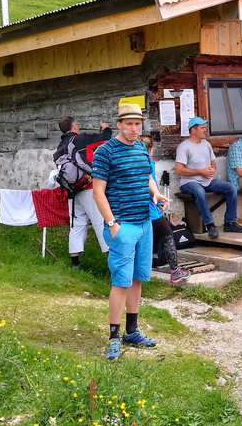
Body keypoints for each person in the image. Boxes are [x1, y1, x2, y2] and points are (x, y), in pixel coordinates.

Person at [92, 103, 168, 361]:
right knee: (120, 282)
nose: (135, 129)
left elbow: (147, 177)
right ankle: (114, 337)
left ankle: (131, 332)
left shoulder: (140, 148)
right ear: (119, 124)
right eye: (129, 124)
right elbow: (98, 191)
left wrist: (156, 193)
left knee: (137, 278)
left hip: (144, 223)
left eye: (138, 124)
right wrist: (112, 223)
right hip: (122, 226)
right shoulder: (105, 152)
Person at [55, 116, 112, 268]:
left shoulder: (60, 145)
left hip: (72, 191)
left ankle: (75, 263)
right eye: (77, 125)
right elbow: (105, 139)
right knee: (100, 221)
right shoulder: (80, 139)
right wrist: (105, 128)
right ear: (74, 127)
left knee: (77, 224)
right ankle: (112, 261)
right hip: (88, 187)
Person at [175, 117, 242, 239]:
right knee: (199, 191)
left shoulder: (206, 144)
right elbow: (179, 170)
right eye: (202, 128)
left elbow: (213, 162)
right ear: (193, 130)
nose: (205, 130)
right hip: (189, 182)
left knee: (231, 188)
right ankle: (210, 225)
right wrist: (200, 172)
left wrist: (212, 170)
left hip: (207, 180)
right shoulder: (184, 147)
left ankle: (230, 222)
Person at [140, 135, 191, 285]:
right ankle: (175, 272)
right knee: (168, 234)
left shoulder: (136, 162)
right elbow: (150, 186)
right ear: (151, 149)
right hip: (149, 209)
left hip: (140, 208)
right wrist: (157, 200)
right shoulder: (148, 163)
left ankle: (141, 271)